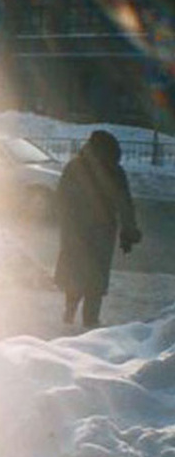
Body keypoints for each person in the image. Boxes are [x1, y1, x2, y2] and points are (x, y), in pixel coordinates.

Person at [54, 129, 142, 329]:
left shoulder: (75, 167)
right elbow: (125, 204)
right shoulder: (114, 171)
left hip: (76, 231)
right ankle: (90, 321)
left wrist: (67, 226)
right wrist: (128, 233)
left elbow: (61, 199)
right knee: (96, 277)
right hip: (101, 232)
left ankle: (69, 316)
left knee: (75, 273)